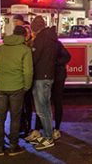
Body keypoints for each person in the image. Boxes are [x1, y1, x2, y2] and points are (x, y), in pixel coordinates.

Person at [0, 25, 32, 156]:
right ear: (24, 35)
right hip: (17, 87)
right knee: (15, 117)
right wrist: (26, 86)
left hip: (1, 87)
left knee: (0, 117)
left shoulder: (0, 49)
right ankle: (13, 147)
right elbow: (28, 72)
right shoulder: (25, 50)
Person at [29, 16, 58, 150]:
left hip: (41, 76)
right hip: (48, 75)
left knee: (42, 109)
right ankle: (47, 133)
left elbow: (34, 58)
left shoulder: (40, 39)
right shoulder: (51, 37)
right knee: (45, 107)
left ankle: (48, 137)